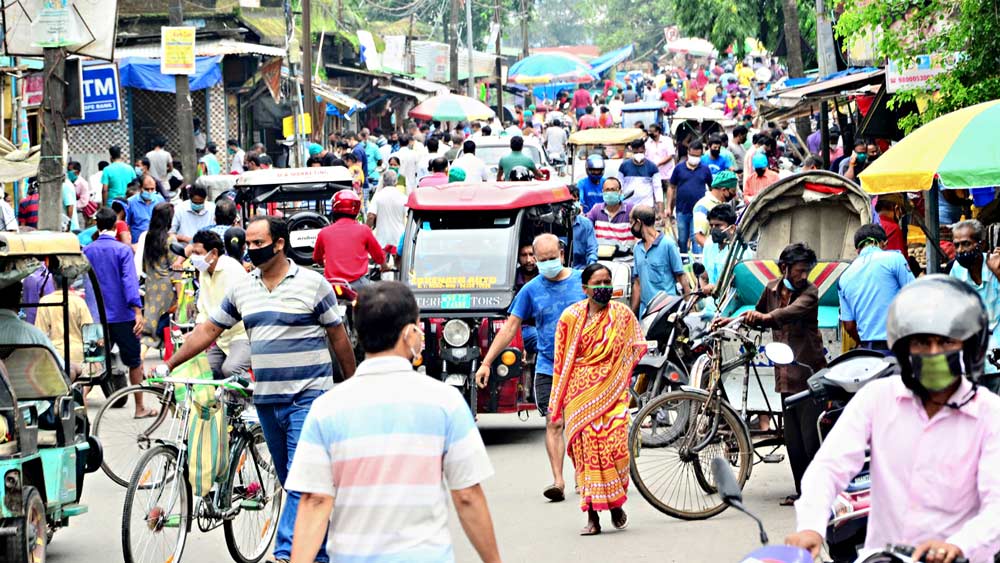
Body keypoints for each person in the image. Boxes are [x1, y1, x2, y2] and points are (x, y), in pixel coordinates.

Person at [164, 215, 357, 563]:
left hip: (308, 396)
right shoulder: (242, 289)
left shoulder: (313, 285)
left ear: (279, 244)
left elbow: (338, 338)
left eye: (256, 243)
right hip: (267, 400)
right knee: (295, 482)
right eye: (247, 244)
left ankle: (285, 553)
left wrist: (354, 385)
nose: (249, 250)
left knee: (301, 476)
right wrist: (169, 364)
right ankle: (318, 554)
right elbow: (208, 331)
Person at [786, 275, 1000, 563]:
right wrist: (811, 526)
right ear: (905, 348)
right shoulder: (877, 398)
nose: (934, 353)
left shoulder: (989, 413)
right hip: (884, 557)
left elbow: (996, 504)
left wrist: (959, 545)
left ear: (969, 348)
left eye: (946, 342)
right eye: (923, 343)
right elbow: (829, 466)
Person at [286, 282, 500, 563]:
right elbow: (468, 495)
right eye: (418, 327)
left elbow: (315, 501)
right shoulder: (444, 402)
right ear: (409, 333)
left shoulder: (326, 409)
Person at [475, 234, 586, 502]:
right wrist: (487, 362)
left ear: (562, 253)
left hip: (583, 365)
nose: (549, 263)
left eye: (553, 258)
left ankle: (583, 476)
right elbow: (510, 327)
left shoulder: (582, 281)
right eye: (543, 260)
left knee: (582, 423)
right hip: (550, 366)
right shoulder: (530, 290)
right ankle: (558, 480)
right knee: (554, 422)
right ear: (534, 260)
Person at [549, 263, 645, 535]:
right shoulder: (570, 317)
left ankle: (615, 505)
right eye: (598, 283)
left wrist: (619, 370)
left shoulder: (623, 314)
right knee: (588, 454)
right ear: (585, 288)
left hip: (613, 392)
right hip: (580, 395)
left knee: (617, 449)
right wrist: (557, 399)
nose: (604, 288)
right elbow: (561, 360)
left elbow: (636, 345)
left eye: (608, 282)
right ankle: (592, 516)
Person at [731, 242, 827, 504]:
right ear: (784, 268)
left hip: (808, 373)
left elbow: (783, 314)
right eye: (798, 271)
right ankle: (802, 492)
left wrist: (761, 318)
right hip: (784, 374)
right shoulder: (772, 288)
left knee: (810, 439)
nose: (803, 276)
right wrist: (731, 321)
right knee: (793, 440)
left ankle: (817, 493)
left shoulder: (810, 292)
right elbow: (757, 313)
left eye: (806, 270)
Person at [85, 208, 149, 416]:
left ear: (97, 226)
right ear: (116, 226)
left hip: (96, 317)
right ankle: (139, 407)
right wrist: (137, 311)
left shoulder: (87, 250)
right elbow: (130, 283)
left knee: (93, 364)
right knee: (134, 362)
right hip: (123, 316)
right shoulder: (123, 251)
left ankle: (82, 406)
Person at [838, 224, 914, 353]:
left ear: (858, 250)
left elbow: (849, 326)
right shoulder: (895, 259)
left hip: (868, 352)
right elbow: (914, 295)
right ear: (884, 244)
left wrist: (862, 343)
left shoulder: (843, 278)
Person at [189, 230, 250, 379]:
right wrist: (196, 332)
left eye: (198, 253)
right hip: (220, 338)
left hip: (242, 335)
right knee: (203, 372)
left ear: (214, 253)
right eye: (193, 253)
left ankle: (255, 399)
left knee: (231, 369)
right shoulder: (204, 272)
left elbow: (230, 313)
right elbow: (203, 309)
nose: (194, 257)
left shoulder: (231, 270)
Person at [949, 219, 1000, 392]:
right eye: (956, 246)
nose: (960, 251)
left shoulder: (996, 265)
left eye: (966, 244)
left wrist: (999, 273)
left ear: (982, 244)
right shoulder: (956, 270)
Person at [313, 190, 386, 289]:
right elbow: (379, 257)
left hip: (332, 285)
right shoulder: (364, 230)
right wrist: (384, 265)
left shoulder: (324, 232)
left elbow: (317, 258)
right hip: (359, 284)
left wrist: (323, 263)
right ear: (356, 210)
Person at [631, 205, 689, 315]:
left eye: (631, 222)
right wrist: (633, 313)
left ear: (639, 222)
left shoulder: (668, 244)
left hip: (666, 309)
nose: (631, 227)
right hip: (645, 311)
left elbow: (681, 276)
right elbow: (638, 283)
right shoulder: (637, 248)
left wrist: (687, 306)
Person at [35, 270, 93, 378]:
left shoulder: (45, 301)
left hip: (55, 357)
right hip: (79, 357)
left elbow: (40, 334)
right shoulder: (79, 302)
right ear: (72, 281)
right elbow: (90, 333)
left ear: (53, 281)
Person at [140, 203, 178, 348]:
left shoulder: (148, 237)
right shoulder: (170, 240)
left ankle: (145, 346)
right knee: (167, 321)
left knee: (151, 319)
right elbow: (175, 266)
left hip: (151, 283)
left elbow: (144, 263)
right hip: (166, 286)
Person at [667, 140, 713, 253]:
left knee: (696, 239)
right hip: (682, 210)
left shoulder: (705, 170)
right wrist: (668, 207)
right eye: (692, 155)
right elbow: (671, 187)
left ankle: (696, 266)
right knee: (682, 239)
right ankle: (683, 262)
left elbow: (712, 188)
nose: (694, 158)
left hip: (699, 212)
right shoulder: (679, 168)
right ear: (688, 152)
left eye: (697, 156)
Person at [701, 204, 752, 293]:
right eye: (711, 225)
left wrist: (717, 288)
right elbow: (704, 276)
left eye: (718, 225)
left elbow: (744, 285)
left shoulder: (742, 251)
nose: (713, 230)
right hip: (710, 304)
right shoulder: (709, 245)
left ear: (732, 228)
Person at [692, 170, 738, 249]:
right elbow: (699, 236)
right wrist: (713, 252)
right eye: (732, 191)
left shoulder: (724, 204)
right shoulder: (702, 207)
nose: (734, 195)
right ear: (724, 190)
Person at [618, 139, 664, 218]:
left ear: (644, 150)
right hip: (628, 207)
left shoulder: (652, 167)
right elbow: (619, 186)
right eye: (635, 152)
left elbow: (658, 189)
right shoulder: (624, 166)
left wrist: (660, 211)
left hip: (646, 208)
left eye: (640, 152)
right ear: (631, 150)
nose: (638, 154)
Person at [587, 176, 635, 250]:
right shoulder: (596, 209)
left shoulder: (630, 209)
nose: (609, 193)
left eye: (613, 190)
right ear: (603, 192)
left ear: (620, 192)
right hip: (601, 256)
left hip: (625, 258)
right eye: (607, 190)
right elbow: (585, 227)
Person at [367, 170, 408, 251]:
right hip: (398, 238)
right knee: (398, 263)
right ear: (396, 182)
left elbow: (371, 216)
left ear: (383, 182)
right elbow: (408, 216)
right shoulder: (403, 197)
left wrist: (366, 231)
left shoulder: (377, 196)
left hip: (382, 239)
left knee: (382, 261)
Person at [127, 175, 166, 241]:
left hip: (155, 241)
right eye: (147, 189)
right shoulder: (131, 202)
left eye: (152, 189)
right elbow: (127, 225)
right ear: (140, 188)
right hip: (137, 243)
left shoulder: (160, 200)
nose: (150, 192)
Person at [568, 186, 598, 269]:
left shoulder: (586, 224)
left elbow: (592, 249)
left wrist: (591, 266)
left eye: (574, 201)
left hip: (580, 269)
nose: (572, 205)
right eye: (569, 202)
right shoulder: (554, 225)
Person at [645, 123, 675, 196]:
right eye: (649, 131)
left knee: (670, 192)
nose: (650, 133)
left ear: (657, 132)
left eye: (652, 131)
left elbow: (670, 155)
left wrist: (658, 164)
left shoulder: (667, 140)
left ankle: (669, 207)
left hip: (667, 173)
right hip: (653, 174)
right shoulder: (647, 143)